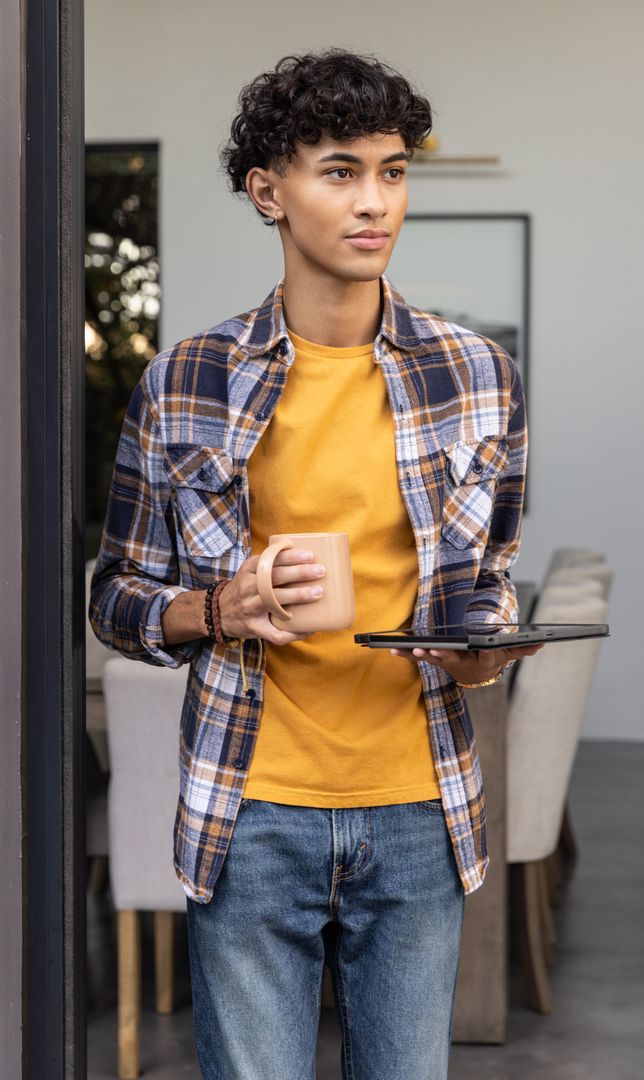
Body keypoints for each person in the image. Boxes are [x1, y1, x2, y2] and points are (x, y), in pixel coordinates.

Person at [90, 48, 542, 1080]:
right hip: (250, 811)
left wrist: (483, 641)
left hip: (420, 807)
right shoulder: (186, 381)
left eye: (393, 170)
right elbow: (113, 595)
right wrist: (218, 607)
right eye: (341, 171)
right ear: (269, 192)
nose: (376, 200)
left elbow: (488, 570)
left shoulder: (479, 377)